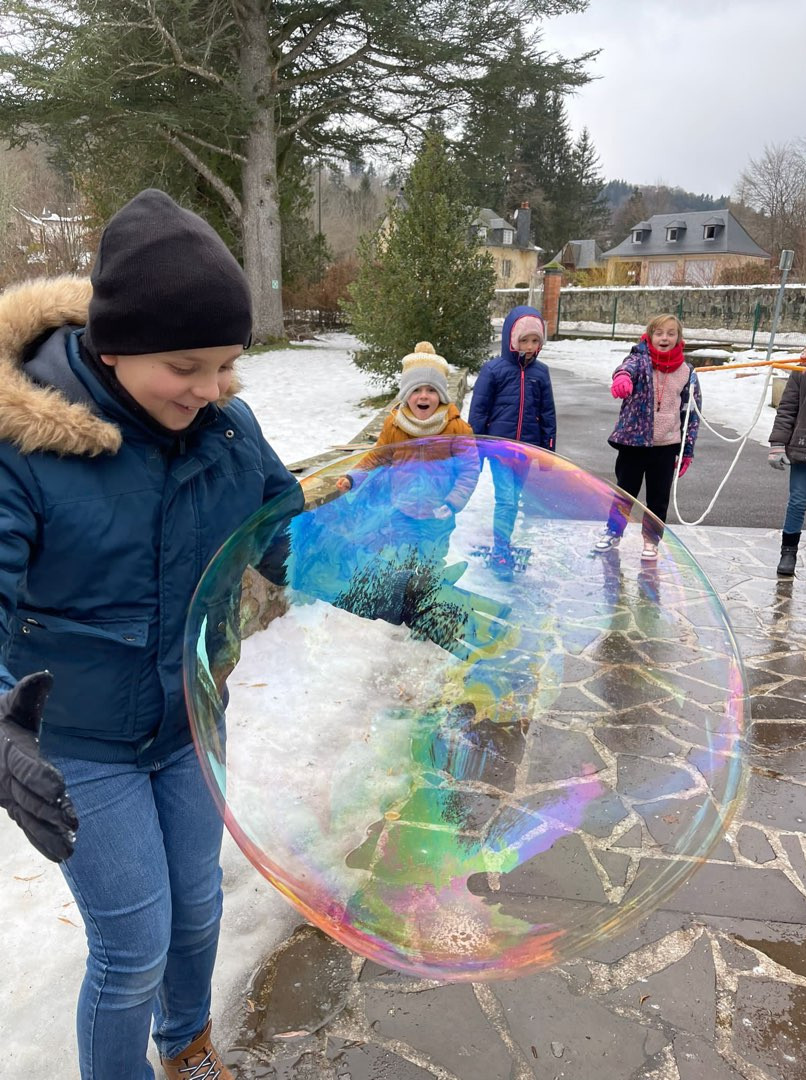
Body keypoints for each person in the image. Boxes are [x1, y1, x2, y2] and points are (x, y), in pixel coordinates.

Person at [0, 189, 303, 1079]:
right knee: (133, 945)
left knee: (199, 911)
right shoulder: (24, 450)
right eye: (186, 366)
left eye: (228, 366)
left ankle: (186, 1045)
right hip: (80, 742)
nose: (212, 391)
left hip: (186, 725)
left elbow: (292, 541)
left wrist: (401, 591)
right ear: (113, 346)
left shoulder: (228, 430)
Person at [336, 341, 478, 565]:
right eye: (416, 390)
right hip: (402, 509)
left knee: (432, 559)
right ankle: (406, 584)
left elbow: (469, 469)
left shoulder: (456, 427)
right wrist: (352, 477)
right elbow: (377, 457)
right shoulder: (395, 425)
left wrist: (452, 503)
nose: (424, 396)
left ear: (441, 394)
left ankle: (431, 581)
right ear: (406, 394)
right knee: (403, 557)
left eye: (432, 390)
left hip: (438, 512)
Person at [593, 313, 701, 562]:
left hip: (666, 446)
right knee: (625, 493)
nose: (665, 338)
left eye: (671, 333)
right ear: (650, 336)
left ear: (679, 338)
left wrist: (687, 449)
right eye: (659, 333)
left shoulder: (687, 372)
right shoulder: (639, 361)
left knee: (658, 499)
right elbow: (626, 368)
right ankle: (613, 531)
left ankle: (651, 540)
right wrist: (622, 378)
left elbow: (691, 413)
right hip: (634, 443)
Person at [468, 306, 556, 579]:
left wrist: (547, 451)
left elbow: (547, 413)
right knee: (506, 500)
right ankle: (500, 549)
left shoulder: (541, 373)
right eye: (524, 340)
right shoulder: (494, 370)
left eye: (535, 340)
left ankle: (503, 540)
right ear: (511, 339)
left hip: (526, 449)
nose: (529, 347)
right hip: (500, 449)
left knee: (513, 500)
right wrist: (476, 450)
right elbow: (479, 411)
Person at [767, 342, 806, 576]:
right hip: (804, 448)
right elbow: (787, 410)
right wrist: (777, 444)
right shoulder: (801, 370)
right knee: (798, 501)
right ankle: (788, 551)